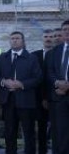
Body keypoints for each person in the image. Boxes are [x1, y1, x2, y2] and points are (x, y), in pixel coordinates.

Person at [0, 31, 40, 154]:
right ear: (9, 41)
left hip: (26, 100)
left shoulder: (31, 58)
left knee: (28, 131)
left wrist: (21, 84)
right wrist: (4, 82)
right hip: (8, 100)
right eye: (12, 38)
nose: (14, 40)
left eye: (17, 38)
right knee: (9, 132)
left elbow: (37, 78)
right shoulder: (2, 57)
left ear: (23, 41)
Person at [47, 20, 69, 154]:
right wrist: (58, 83)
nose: (67, 31)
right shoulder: (54, 52)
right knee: (61, 133)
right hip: (59, 98)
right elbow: (50, 71)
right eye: (64, 29)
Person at [32, 29, 55, 154]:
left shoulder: (59, 54)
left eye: (50, 36)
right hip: (39, 99)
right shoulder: (34, 55)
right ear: (42, 38)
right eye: (46, 36)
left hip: (57, 98)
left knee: (58, 129)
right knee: (41, 129)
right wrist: (42, 98)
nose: (48, 38)